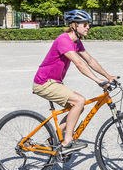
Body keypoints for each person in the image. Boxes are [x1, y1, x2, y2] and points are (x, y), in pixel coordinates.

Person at [32, 9, 117, 154]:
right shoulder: (63, 40)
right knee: (79, 101)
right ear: (74, 25)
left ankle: (53, 140)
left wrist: (108, 76)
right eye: (84, 24)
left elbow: (89, 60)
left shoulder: (76, 42)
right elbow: (79, 63)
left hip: (55, 82)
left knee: (78, 106)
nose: (88, 27)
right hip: (44, 82)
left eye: (88, 24)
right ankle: (67, 141)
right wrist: (98, 80)